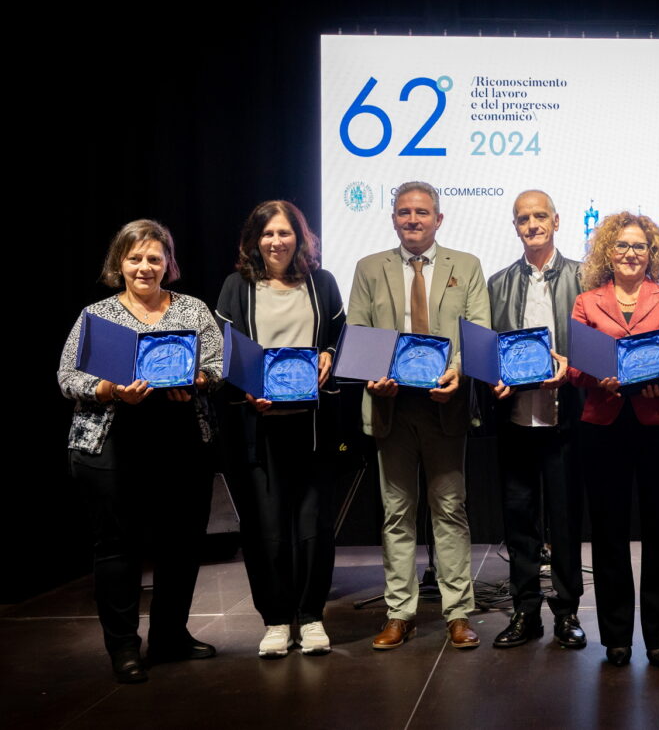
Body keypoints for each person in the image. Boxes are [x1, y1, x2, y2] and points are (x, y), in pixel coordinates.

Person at [58, 219, 222, 684]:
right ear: (119, 263)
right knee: (117, 549)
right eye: (135, 258)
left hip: (182, 442)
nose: (145, 267)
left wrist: (199, 380)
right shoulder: (98, 316)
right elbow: (67, 377)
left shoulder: (192, 311)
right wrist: (108, 388)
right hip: (112, 445)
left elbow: (217, 365)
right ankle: (124, 648)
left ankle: (170, 635)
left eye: (155, 258)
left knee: (181, 546)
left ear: (169, 264)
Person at [347, 180, 491, 650]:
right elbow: (359, 331)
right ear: (393, 218)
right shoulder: (370, 268)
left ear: (439, 219)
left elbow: (478, 332)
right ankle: (399, 613)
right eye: (404, 212)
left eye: (422, 212)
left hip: (443, 405)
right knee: (396, 513)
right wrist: (372, 374)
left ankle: (458, 614)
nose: (413, 219)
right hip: (391, 405)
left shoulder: (466, 266)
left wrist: (457, 372)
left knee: (450, 509)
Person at [215, 200, 346, 659]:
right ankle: (274, 619)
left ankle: (311, 617)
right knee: (265, 527)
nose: (276, 242)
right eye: (268, 234)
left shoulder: (322, 283)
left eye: (285, 233)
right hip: (258, 427)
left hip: (312, 427)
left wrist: (330, 353)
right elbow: (224, 355)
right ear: (255, 239)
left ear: (300, 238)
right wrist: (249, 387)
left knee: (314, 525)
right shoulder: (236, 287)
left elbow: (339, 336)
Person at [567, 211, 659, 667]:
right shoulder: (586, 301)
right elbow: (577, 368)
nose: (630, 253)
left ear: (651, 252)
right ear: (607, 251)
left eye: (639, 246)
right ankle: (616, 637)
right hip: (603, 425)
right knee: (608, 535)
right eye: (621, 245)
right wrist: (596, 377)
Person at [486, 190, 586, 649]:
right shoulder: (497, 283)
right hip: (515, 419)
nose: (532, 224)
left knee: (565, 521)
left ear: (557, 221)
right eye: (523, 218)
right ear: (516, 226)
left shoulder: (585, 278)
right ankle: (526, 612)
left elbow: (593, 343)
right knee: (519, 520)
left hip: (567, 417)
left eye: (540, 216)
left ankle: (567, 613)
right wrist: (492, 378)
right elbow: (488, 350)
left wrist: (575, 365)